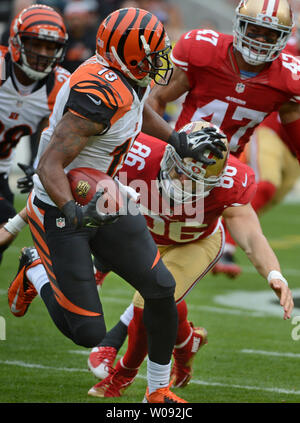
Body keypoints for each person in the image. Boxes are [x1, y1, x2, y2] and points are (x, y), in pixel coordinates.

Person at [6, 7, 226, 404]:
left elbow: (136, 111)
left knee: (161, 288)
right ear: (128, 52)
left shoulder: (126, 74)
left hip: (104, 194)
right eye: (152, 52)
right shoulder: (97, 93)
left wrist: (175, 139)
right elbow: (50, 165)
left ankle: (156, 391)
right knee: (87, 332)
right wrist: (73, 212)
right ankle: (35, 271)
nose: (159, 61)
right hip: (61, 202)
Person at [84, 122, 294, 398]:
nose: (183, 184)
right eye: (180, 172)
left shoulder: (232, 181)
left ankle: (123, 374)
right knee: (162, 296)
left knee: (149, 303)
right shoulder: (140, 153)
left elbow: (252, 236)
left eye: (195, 180)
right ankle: (187, 342)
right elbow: (97, 198)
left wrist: (274, 274)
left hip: (196, 241)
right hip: (147, 237)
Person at [145, 0, 300, 276]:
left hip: (224, 170)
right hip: (175, 153)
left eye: (270, 34)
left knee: (184, 247)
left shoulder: (288, 79)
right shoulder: (202, 49)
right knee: (136, 220)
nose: (260, 40)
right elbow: (156, 99)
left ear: (283, 38)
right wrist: (155, 150)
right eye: (254, 30)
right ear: (240, 25)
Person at [0, 4, 69, 263]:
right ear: (17, 42)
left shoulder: (61, 86)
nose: (43, 53)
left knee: (4, 223)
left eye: (50, 47)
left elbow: (56, 137)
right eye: (36, 44)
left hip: (1, 171)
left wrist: (42, 167)